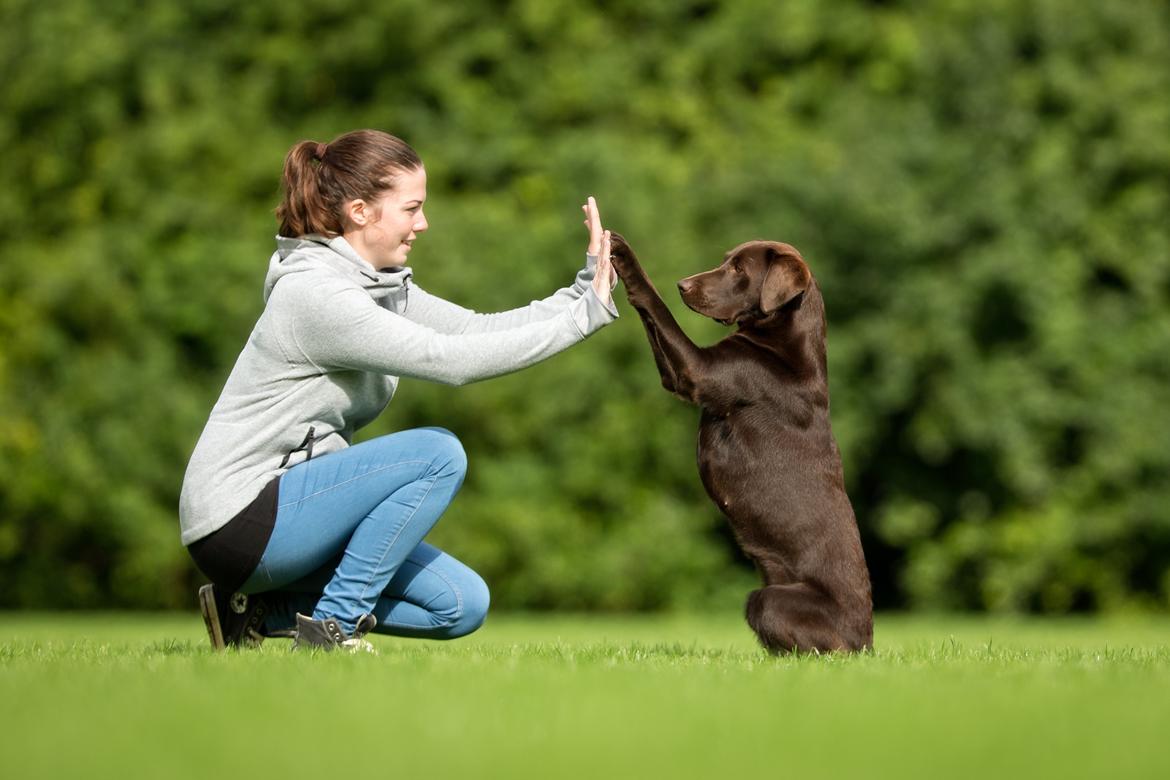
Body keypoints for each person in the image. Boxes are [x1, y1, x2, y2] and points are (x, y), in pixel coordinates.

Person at [179, 129, 617, 652]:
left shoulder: (378, 286)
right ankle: (331, 631)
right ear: (361, 211)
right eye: (412, 208)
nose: (423, 224)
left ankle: (252, 615)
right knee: (437, 454)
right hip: (239, 520)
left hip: (292, 511)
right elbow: (450, 362)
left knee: (460, 603)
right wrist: (581, 320)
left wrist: (582, 290)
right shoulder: (318, 296)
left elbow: (474, 330)